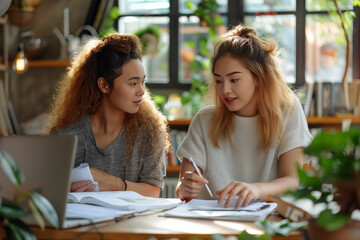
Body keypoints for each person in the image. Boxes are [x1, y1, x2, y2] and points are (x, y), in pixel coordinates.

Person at [176, 24, 313, 208]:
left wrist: (257, 189)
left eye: (234, 80)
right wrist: (184, 188)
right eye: (218, 80)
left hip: (266, 221)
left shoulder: (287, 110)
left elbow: (292, 180)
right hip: (212, 225)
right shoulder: (204, 119)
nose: (224, 90)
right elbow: (183, 190)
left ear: (258, 78)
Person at [48, 33, 169, 197]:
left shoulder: (150, 131)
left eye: (142, 82)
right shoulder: (67, 134)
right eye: (133, 83)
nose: (141, 91)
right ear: (104, 85)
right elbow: (50, 191)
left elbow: (152, 192)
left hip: (133, 222)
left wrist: (111, 183)